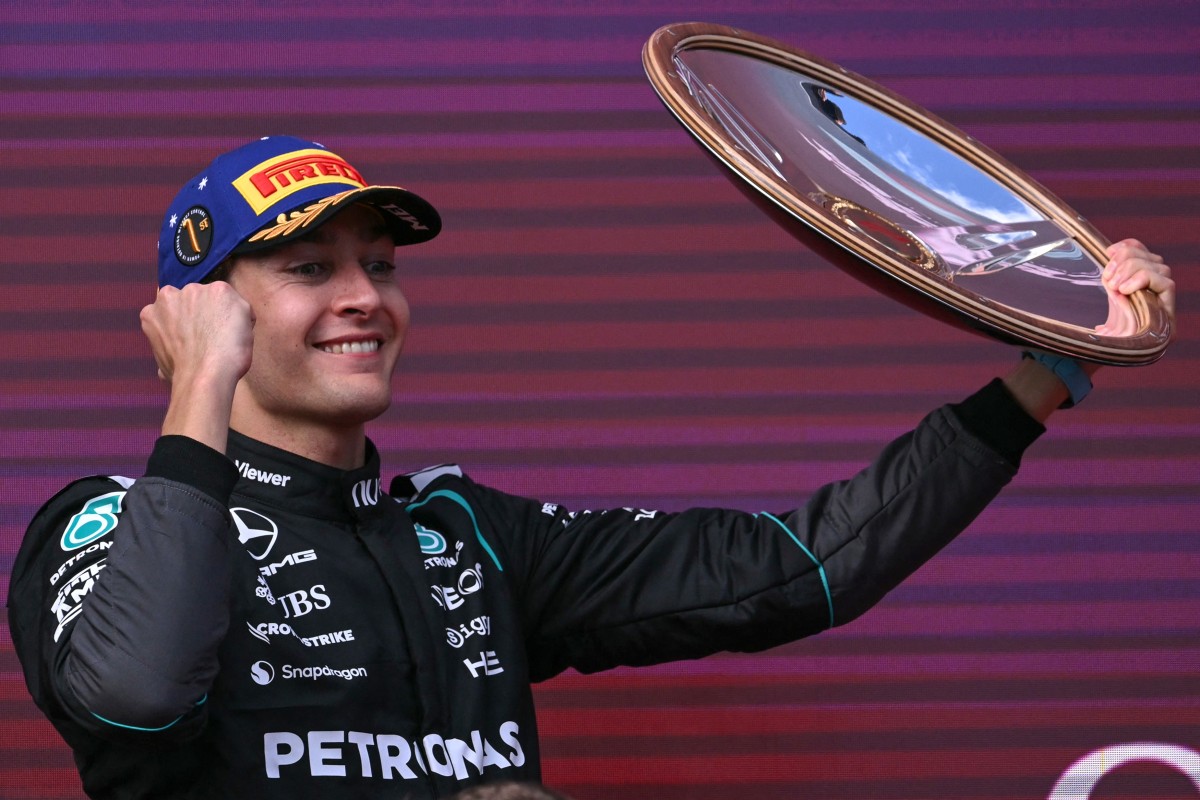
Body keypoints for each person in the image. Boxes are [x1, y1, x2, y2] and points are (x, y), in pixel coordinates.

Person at [6, 136, 1175, 800]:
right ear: (203, 311)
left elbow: (803, 565)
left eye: (381, 264)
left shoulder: (464, 533)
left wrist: (1050, 367)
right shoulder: (106, 521)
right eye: (311, 268)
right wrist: (198, 391)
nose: (366, 296)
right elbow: (137, 691)